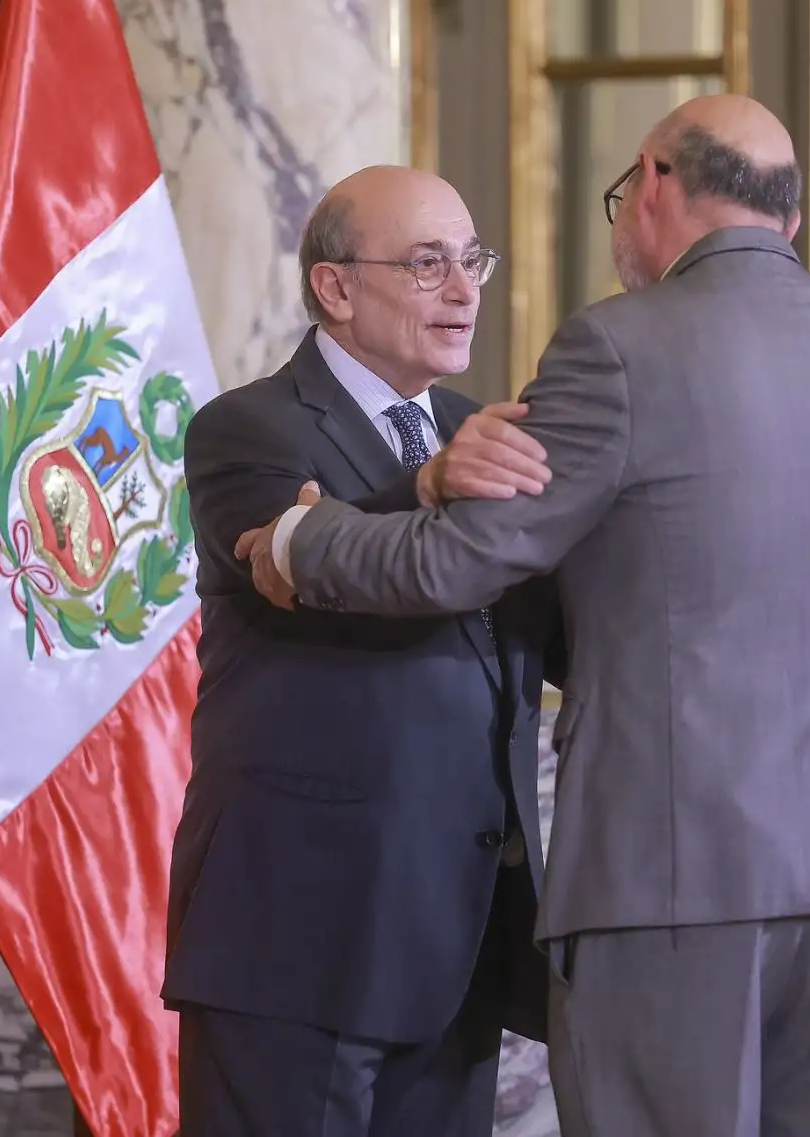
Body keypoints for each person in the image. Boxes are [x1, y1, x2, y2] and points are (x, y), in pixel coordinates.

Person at [240, 96, 810, 1136]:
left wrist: (305, 542)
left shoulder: (620, 347)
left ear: (651, 182)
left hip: (680, 877)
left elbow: (462, 561)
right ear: (780, 216)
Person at [162, 165, 565, 1137]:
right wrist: (426, 485)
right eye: (428, 265)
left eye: (472, 261)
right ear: (334, 287)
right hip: (298, 937)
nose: (465, 290)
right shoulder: (246, 428)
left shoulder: (479, 431)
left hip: (457, 932)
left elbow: (549, 631)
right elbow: (309, 565)